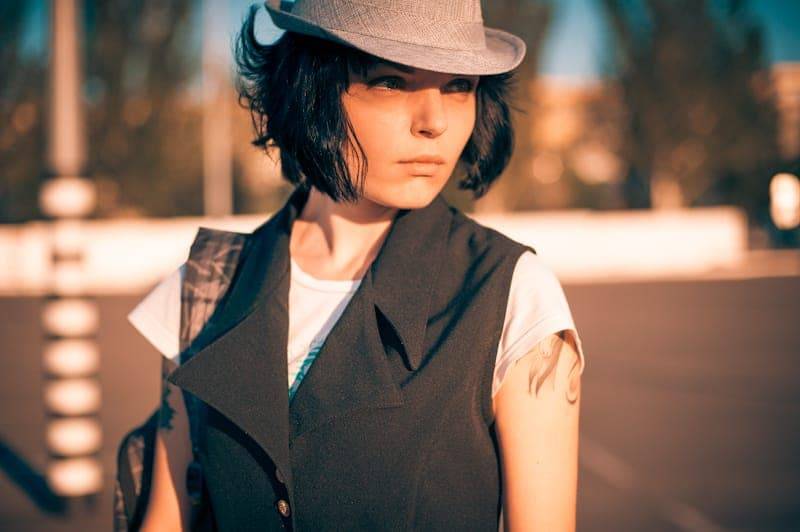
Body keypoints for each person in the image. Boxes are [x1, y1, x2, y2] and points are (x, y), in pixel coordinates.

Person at [128, 1, 586, 530]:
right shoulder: (207, 285)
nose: (434, 122)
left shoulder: (512, 294)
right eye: (391, 82)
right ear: (309, 88)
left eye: (459, 85)